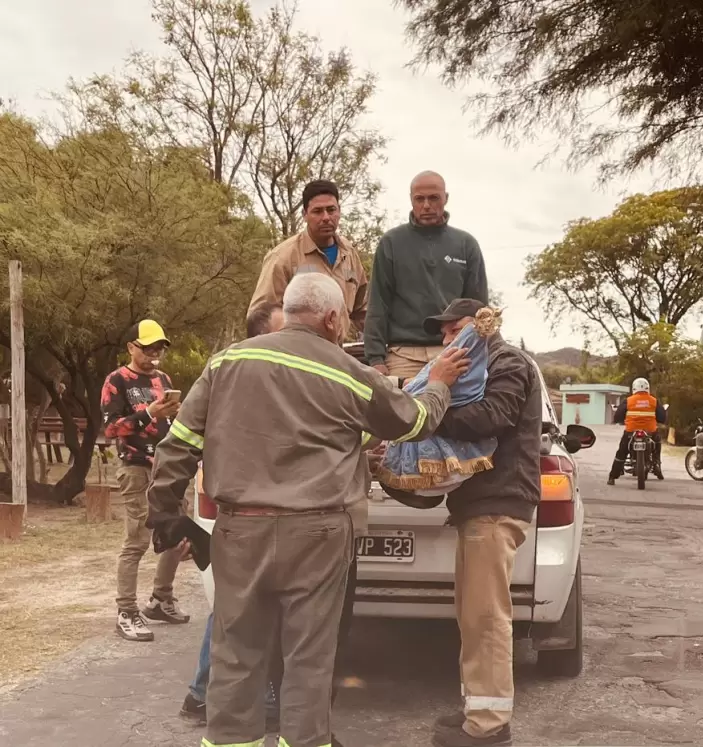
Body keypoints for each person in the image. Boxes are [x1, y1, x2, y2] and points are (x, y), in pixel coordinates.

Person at [147, 273, 469, 747]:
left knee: (236, 655)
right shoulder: (347, 373)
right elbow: (412, 422)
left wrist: (164, 515)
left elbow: (178, 445)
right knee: (308, 658)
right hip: (317, 536)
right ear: (333, 318)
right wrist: (438, 383)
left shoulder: (229, 361)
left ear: (289, 308)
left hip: (240, 531)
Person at [423, 299, 542, 747]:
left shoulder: (507, 360)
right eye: (444, 334)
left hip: (497, 502)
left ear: (481, 327)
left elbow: (494, 416)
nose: (446, 340)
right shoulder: (488, 364)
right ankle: (478, 708)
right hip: (481, 504)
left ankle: (489, 727)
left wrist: (430, 414)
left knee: (487, 617)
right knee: (474, 616)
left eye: (454, 331)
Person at [180, 301, 285, 726]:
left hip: (248, 509)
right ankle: (215, 695)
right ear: (260, 336)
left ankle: (202, 694)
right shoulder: (237, 378)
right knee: (240, 607)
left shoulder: (242, 374)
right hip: (242, 510)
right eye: (283, 331)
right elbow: (189, 438)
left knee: (234, 605)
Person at [101, 319, 188, 642]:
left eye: (159, 349)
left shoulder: (162, 379)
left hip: (167, 466)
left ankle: (161, 599)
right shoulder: (117, 381)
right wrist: (149, 413)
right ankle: (126, 610)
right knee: (137, 539)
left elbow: (173, 421)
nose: (154, 355)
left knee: (177, 534)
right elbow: (110, 429)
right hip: (135, 466)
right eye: (148, 348)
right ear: (131, 348)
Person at [364, 171, 489, 379]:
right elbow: (378, 304)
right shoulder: (392, 243)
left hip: (454, 351)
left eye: (434, 198)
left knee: (463, 410)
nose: (426, 205)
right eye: (419, 199)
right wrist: (376, 360)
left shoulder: (466, 244)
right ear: (411, 200)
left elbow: (479, 309)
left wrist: (478, 353)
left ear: (446, 198)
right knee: (403, 410)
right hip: (403, 355)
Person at [247, 179, 368, 337]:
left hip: (339, 354)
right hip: (298, 355)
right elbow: (259, 318)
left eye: (331, 210)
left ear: (339, 211)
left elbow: (363, 312)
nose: (326, 217)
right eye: (317, 211)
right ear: (305, 214)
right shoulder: (283, 257)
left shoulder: (349, 254)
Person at [607, 378, 667, 485]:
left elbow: (618, 416)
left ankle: (612, 477)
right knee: (657, 443)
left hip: (631, 431)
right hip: (650, 432)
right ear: (648, 388)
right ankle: (656, 463)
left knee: (622, 452)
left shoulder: (629, 400)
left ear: (634, 388)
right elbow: (662, 417)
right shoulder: (653, 401)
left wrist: (619, 420)